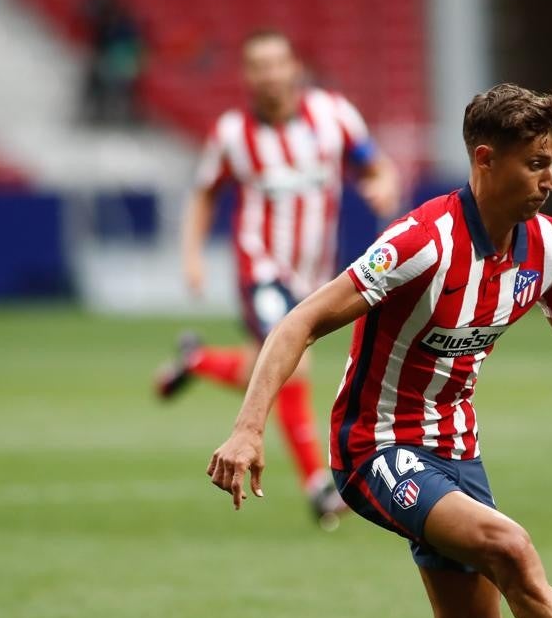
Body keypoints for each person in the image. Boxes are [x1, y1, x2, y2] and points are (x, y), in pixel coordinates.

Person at [206, 84, 552, 618]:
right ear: (485, 159)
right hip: (378, 446)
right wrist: (247, 429)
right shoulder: (421, 241)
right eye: (536, 164)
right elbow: (302, 320)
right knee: (511, 549)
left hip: (456, 450)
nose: (549, 182)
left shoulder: (546, 247)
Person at [155, 29, 399, 526]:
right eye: (258, 66)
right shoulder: (231, 134)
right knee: (294, 363)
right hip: (260, 266)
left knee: (263, 368)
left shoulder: (334, 116)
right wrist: (192, 255)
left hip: (313, 273)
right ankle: (319, 488)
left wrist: (384, 187)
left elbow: (377, 168)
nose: (270, 74)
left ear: (294, 68)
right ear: (247, 76)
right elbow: (204, 194)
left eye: (277, 63)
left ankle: (197, 360)